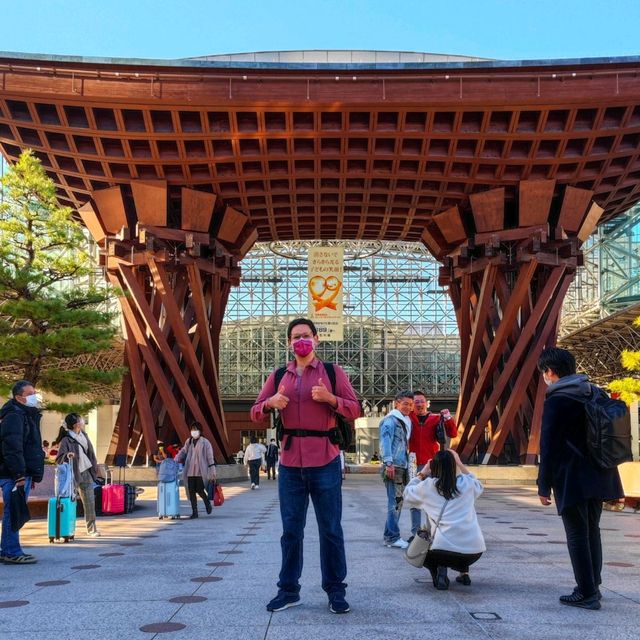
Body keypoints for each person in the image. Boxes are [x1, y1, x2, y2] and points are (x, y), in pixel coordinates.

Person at [251, 317, 361, 614]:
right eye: (296, 336)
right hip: (289, 464)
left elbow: (355, 408)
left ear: (316, 339)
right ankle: (288, 590)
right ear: (289, 343)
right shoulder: (278, 376)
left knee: (330, 529)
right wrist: (269, 403)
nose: (301, 340)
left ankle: (336, 590)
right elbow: (254, 412)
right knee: (291, 531)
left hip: (325, 459)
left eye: (306, 335)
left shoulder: (332, 372)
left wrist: (330, 399)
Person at [537, 347, 624, 610]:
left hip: (572, 476)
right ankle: (592, 585)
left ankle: (586, 593)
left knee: (576, 534)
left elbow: (548, 445)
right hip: (600, 472)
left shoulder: (558, 399)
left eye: (544, 373)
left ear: (550, 372)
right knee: (591, 531)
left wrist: (543, 484)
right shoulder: (594, 392)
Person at [404, 449, 485, 590]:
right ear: (454, 466)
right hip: (473, 553)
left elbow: (407, 493)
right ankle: (464, 573)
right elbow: (478, 483)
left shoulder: (428, 486)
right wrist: (459, 462)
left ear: (434, 466)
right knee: (461, 532)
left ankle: (439, 572)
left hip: (443, 553)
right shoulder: (467, 484)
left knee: (418, 544)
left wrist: (422, 473)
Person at [0, 380, 44, 564]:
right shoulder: (15, 416)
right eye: (30, 393)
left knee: (14, 510)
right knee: (13, 511)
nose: (34, 396)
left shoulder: (25, 414)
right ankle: (11, 551)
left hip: (20, 472)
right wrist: (19, 475)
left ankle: (8, 549)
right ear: (19, 397)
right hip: (13, 474)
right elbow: (12, 447)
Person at [408, 391, 456, 537]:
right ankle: (416, 533)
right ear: (412, 404)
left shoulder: (436, 418)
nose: (419, 404)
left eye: (422, 401)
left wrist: (448, 417)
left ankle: (431, 531)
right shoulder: (408, 417)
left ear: (426, 403)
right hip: (413, 462)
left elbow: (453, 433)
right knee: (414, 499)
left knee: (432, 498)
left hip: (431, 463)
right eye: (416, 402)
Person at [55, 413, 101, 537]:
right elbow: (59, 458)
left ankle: (91, 529)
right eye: (80, 419)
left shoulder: (84, 435)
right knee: (70, 502)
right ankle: (67, 529)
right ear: (76, 424)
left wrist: (95, 468)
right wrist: (67, 455)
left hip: (86, 472)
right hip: (72, 474)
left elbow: (91, 453)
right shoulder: (66, 439)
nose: (82, 420)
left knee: (90, 502)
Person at [379, 390, 414, 549]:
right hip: (394, 466)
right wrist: (388, 463)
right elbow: (385, 441)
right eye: (405, 403)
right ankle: (392, 537)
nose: (408, 407)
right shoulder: (391, 420)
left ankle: (389, 535)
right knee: (395, 503)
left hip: (401, 466)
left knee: (397, 503)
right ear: (396, 403)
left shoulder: (404, 420)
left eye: (410, 404)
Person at [174, 422, 216, 518]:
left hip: (201, 471)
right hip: (190, 471)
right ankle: (194, 512)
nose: (194, 432)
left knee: (200, 490)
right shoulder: (189, 441)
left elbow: (210, 457)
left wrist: (213, 471)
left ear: (200, 431)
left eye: (195, 429)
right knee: (191, 491)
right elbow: (183, 451)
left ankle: (207, 503)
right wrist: (176, 458)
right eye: (192, 429)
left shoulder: (206, 442)